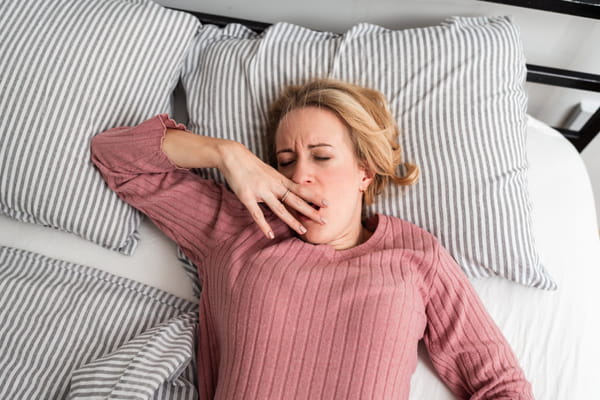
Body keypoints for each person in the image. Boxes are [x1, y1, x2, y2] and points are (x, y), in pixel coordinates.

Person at [91, 78, 534, 399]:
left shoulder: (416, 255)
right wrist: (226, 154)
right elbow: (115, 157)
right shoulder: (240, 229)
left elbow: (499, 383)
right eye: (284, 161)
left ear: (365, 172)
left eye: (321, 156)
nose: (300, 174)